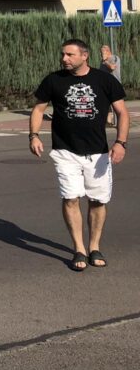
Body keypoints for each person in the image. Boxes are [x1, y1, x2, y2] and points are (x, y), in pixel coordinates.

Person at [30, 38, 129, 272]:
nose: (64, 58)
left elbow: (122, 113)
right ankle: (79, 249)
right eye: (63, 54)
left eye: (70, 55)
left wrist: (121, 142)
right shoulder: (54, 80)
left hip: (98, 152)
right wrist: (33, 135)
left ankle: (94, 246)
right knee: (71, 197)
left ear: (84, 56)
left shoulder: (104, 80)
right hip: (65, 151)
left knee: (97, 200)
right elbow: (38, 109)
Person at [100, 45, 121, 125]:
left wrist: (105, 61)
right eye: (101, 52)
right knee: (105, 102)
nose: (101, 54)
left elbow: (112, 67)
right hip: (105, 86)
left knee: (116, 105)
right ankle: (109, 119)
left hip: (114, 85)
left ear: (108, 51)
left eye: (102, 52)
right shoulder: (103, 61)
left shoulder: (114, 58)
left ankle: (117, 122)